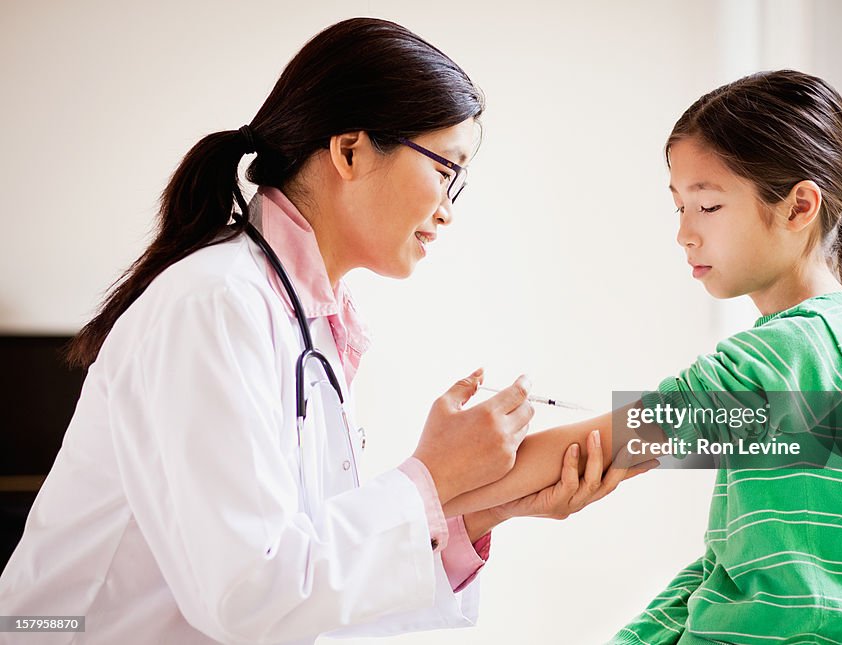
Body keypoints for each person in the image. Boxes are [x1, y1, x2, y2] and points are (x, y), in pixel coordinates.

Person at [0, 17, 654, 644]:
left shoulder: (302, 317)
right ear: (349, 150)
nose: (448, 211)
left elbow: (306, 578)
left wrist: (484, 509)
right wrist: (430, 476)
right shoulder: (214, 305)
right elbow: (251, 593)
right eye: (445, 171)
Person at [446, 70, 842, 644]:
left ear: (799, 206)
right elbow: (725, 570)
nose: (683, 233)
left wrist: (424, 493)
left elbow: (596, 449)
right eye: (678, 205)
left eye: (707, 206)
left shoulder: (783, 357)